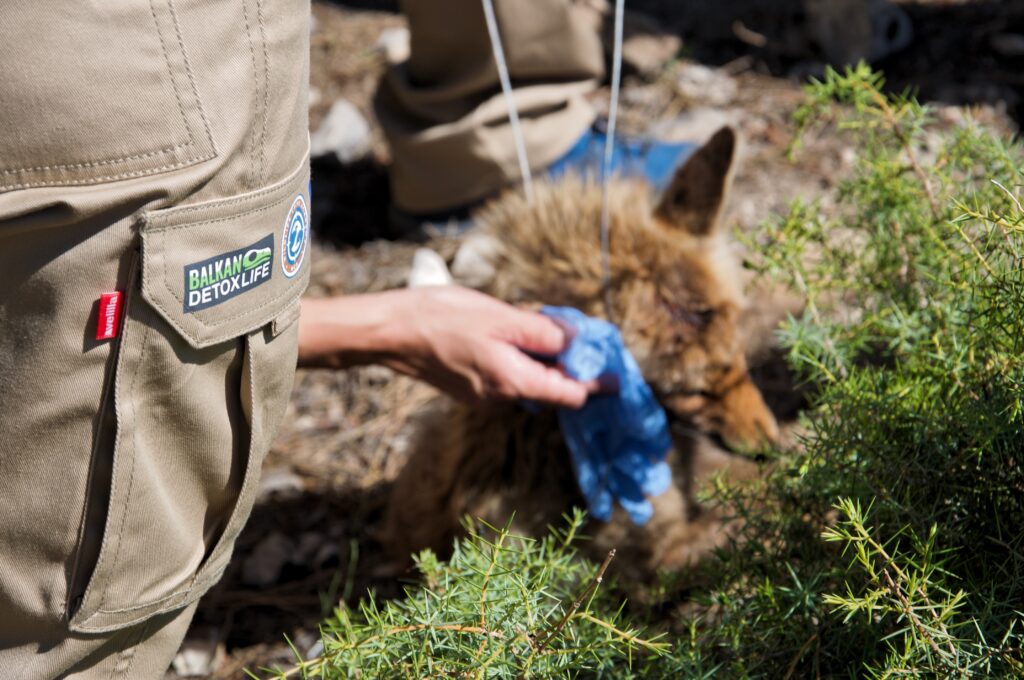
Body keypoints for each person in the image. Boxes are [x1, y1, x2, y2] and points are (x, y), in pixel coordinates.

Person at [0, 2, 598, 677]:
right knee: (60, 643)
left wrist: (386, 328)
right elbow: (120, 317)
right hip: (121, 40)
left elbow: (80, 322)